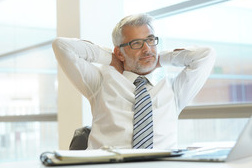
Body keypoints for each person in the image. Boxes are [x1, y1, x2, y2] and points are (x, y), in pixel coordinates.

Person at [52, 13, 215, 149]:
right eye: (136, 43)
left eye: (151, 40)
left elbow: (206, 55)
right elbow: (62, 46)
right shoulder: (101, 82)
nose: (146, 49)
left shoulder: (173, 88)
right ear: (120, 52)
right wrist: (111, 58)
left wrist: (161, 58)